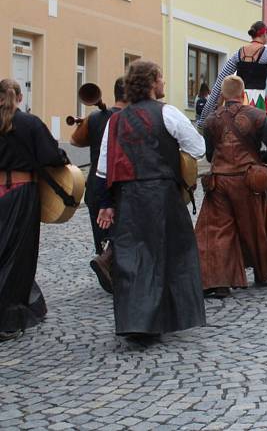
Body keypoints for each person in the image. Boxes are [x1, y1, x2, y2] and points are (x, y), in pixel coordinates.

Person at [96, 60, 206, 341]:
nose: (164, 83)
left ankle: (136, 322)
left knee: (133, 258)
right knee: (170, 255)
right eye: (162, 78)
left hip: (128, 197)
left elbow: (103, 168)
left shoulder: (115, 120)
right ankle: (162, 319)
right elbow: (198, 147)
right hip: (163, 195)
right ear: (153, 82)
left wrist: (106, 203)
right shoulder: (167, 113)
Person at [195, 75, 267, 299]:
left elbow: (209, 154)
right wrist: (261, 160)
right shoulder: (256, 115)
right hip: (248, 180)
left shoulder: (211, 120)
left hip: (219, 181)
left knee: (217, 231)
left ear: (223, 95)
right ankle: (263, 271)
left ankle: (219, 281)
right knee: (253, 227)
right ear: (242, 93)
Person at [0, 79, 68, 342]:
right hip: (20, 193)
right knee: (17, 255)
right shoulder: (28, 123)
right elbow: (51, 155)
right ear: (18, 96)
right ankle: (7, 319)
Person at [69, 77, 126, 293]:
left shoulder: (95, 118)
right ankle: (110, 269)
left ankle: (105, 264)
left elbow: (75, 141)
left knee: (100, 231)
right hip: (116, 181)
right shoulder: (129, 118)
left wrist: (89, 124)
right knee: (121, 228)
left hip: (94, 180)